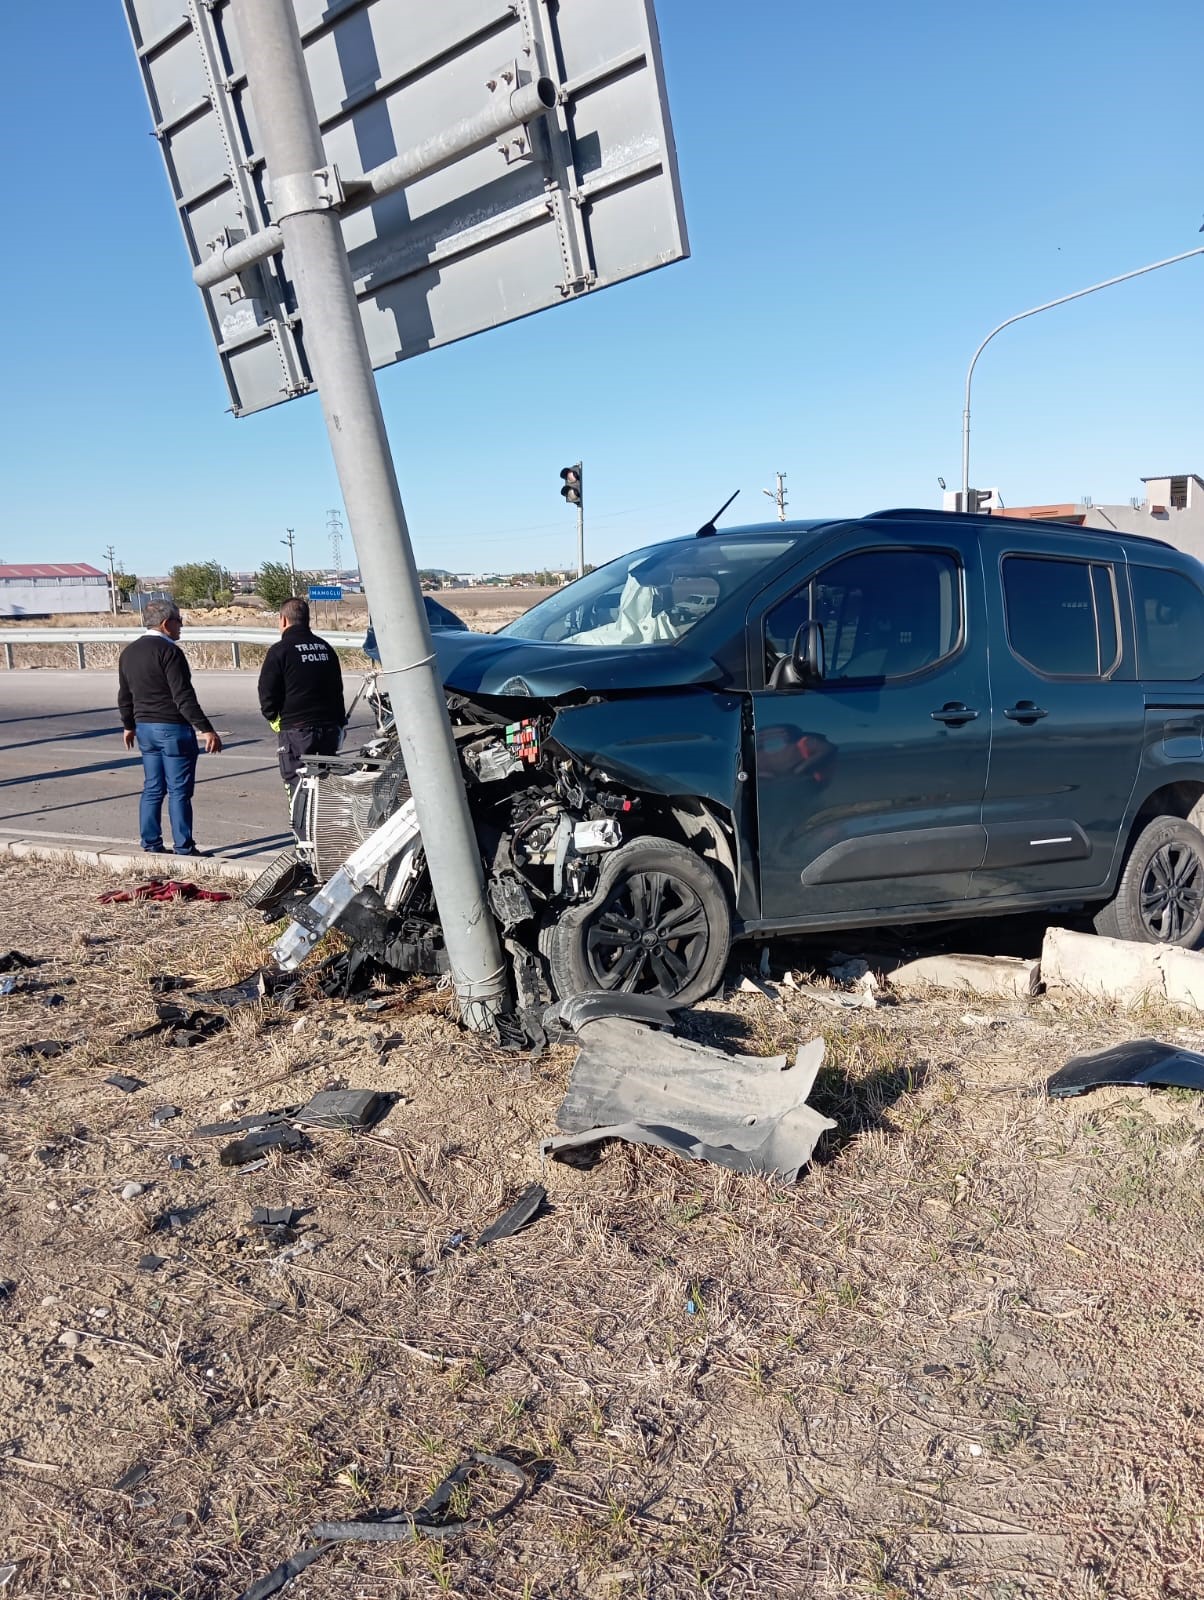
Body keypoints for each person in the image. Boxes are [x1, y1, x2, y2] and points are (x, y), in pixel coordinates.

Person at [117, 600, 223, 856]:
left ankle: (151, 843)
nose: (181, 626)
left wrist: (128, 725)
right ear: (166, 624)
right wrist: (206, 728)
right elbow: (183, 696)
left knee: (153, 787)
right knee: (179, 791)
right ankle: (184, 847)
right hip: (173, 729)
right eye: (178, 620)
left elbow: (124, 695)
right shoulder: (170, 651)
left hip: (145, 728)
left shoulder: (129, 652)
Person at [258, 596, 346, 795]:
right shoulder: (325, 648)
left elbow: (266, 692)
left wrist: (273, 717)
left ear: (283, 620)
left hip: (297, 732)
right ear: (307, 620)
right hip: (329, 730)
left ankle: (302, 827)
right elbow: (337, 689)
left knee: (299, 790)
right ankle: (322, 826)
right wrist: (339, 723)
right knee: (325, 791)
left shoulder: (280, 651)